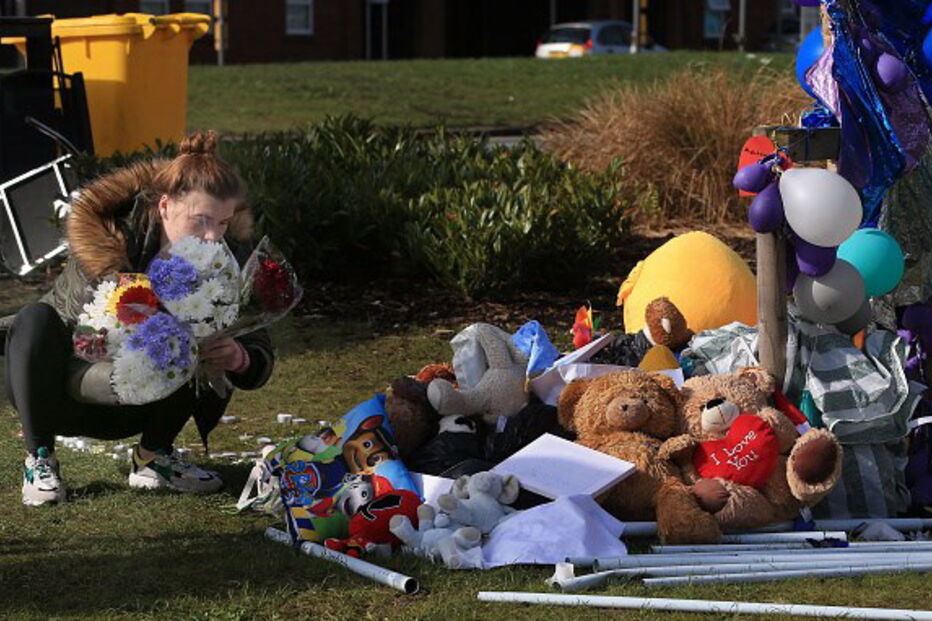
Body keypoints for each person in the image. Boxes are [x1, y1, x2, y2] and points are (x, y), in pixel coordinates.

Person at [3, 130, 275, 506]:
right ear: (165, 206)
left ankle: (153, 458)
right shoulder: (108, 241)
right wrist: (147, 319)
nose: (214, 236)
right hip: (67, 390)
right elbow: (85, 340)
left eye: (224, 223)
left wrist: (240, 358)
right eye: (200, 221)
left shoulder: (226, 260)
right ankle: (41, 459)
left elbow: (259, 347)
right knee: (34, 318)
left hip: (150, 403)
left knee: (193, 332)